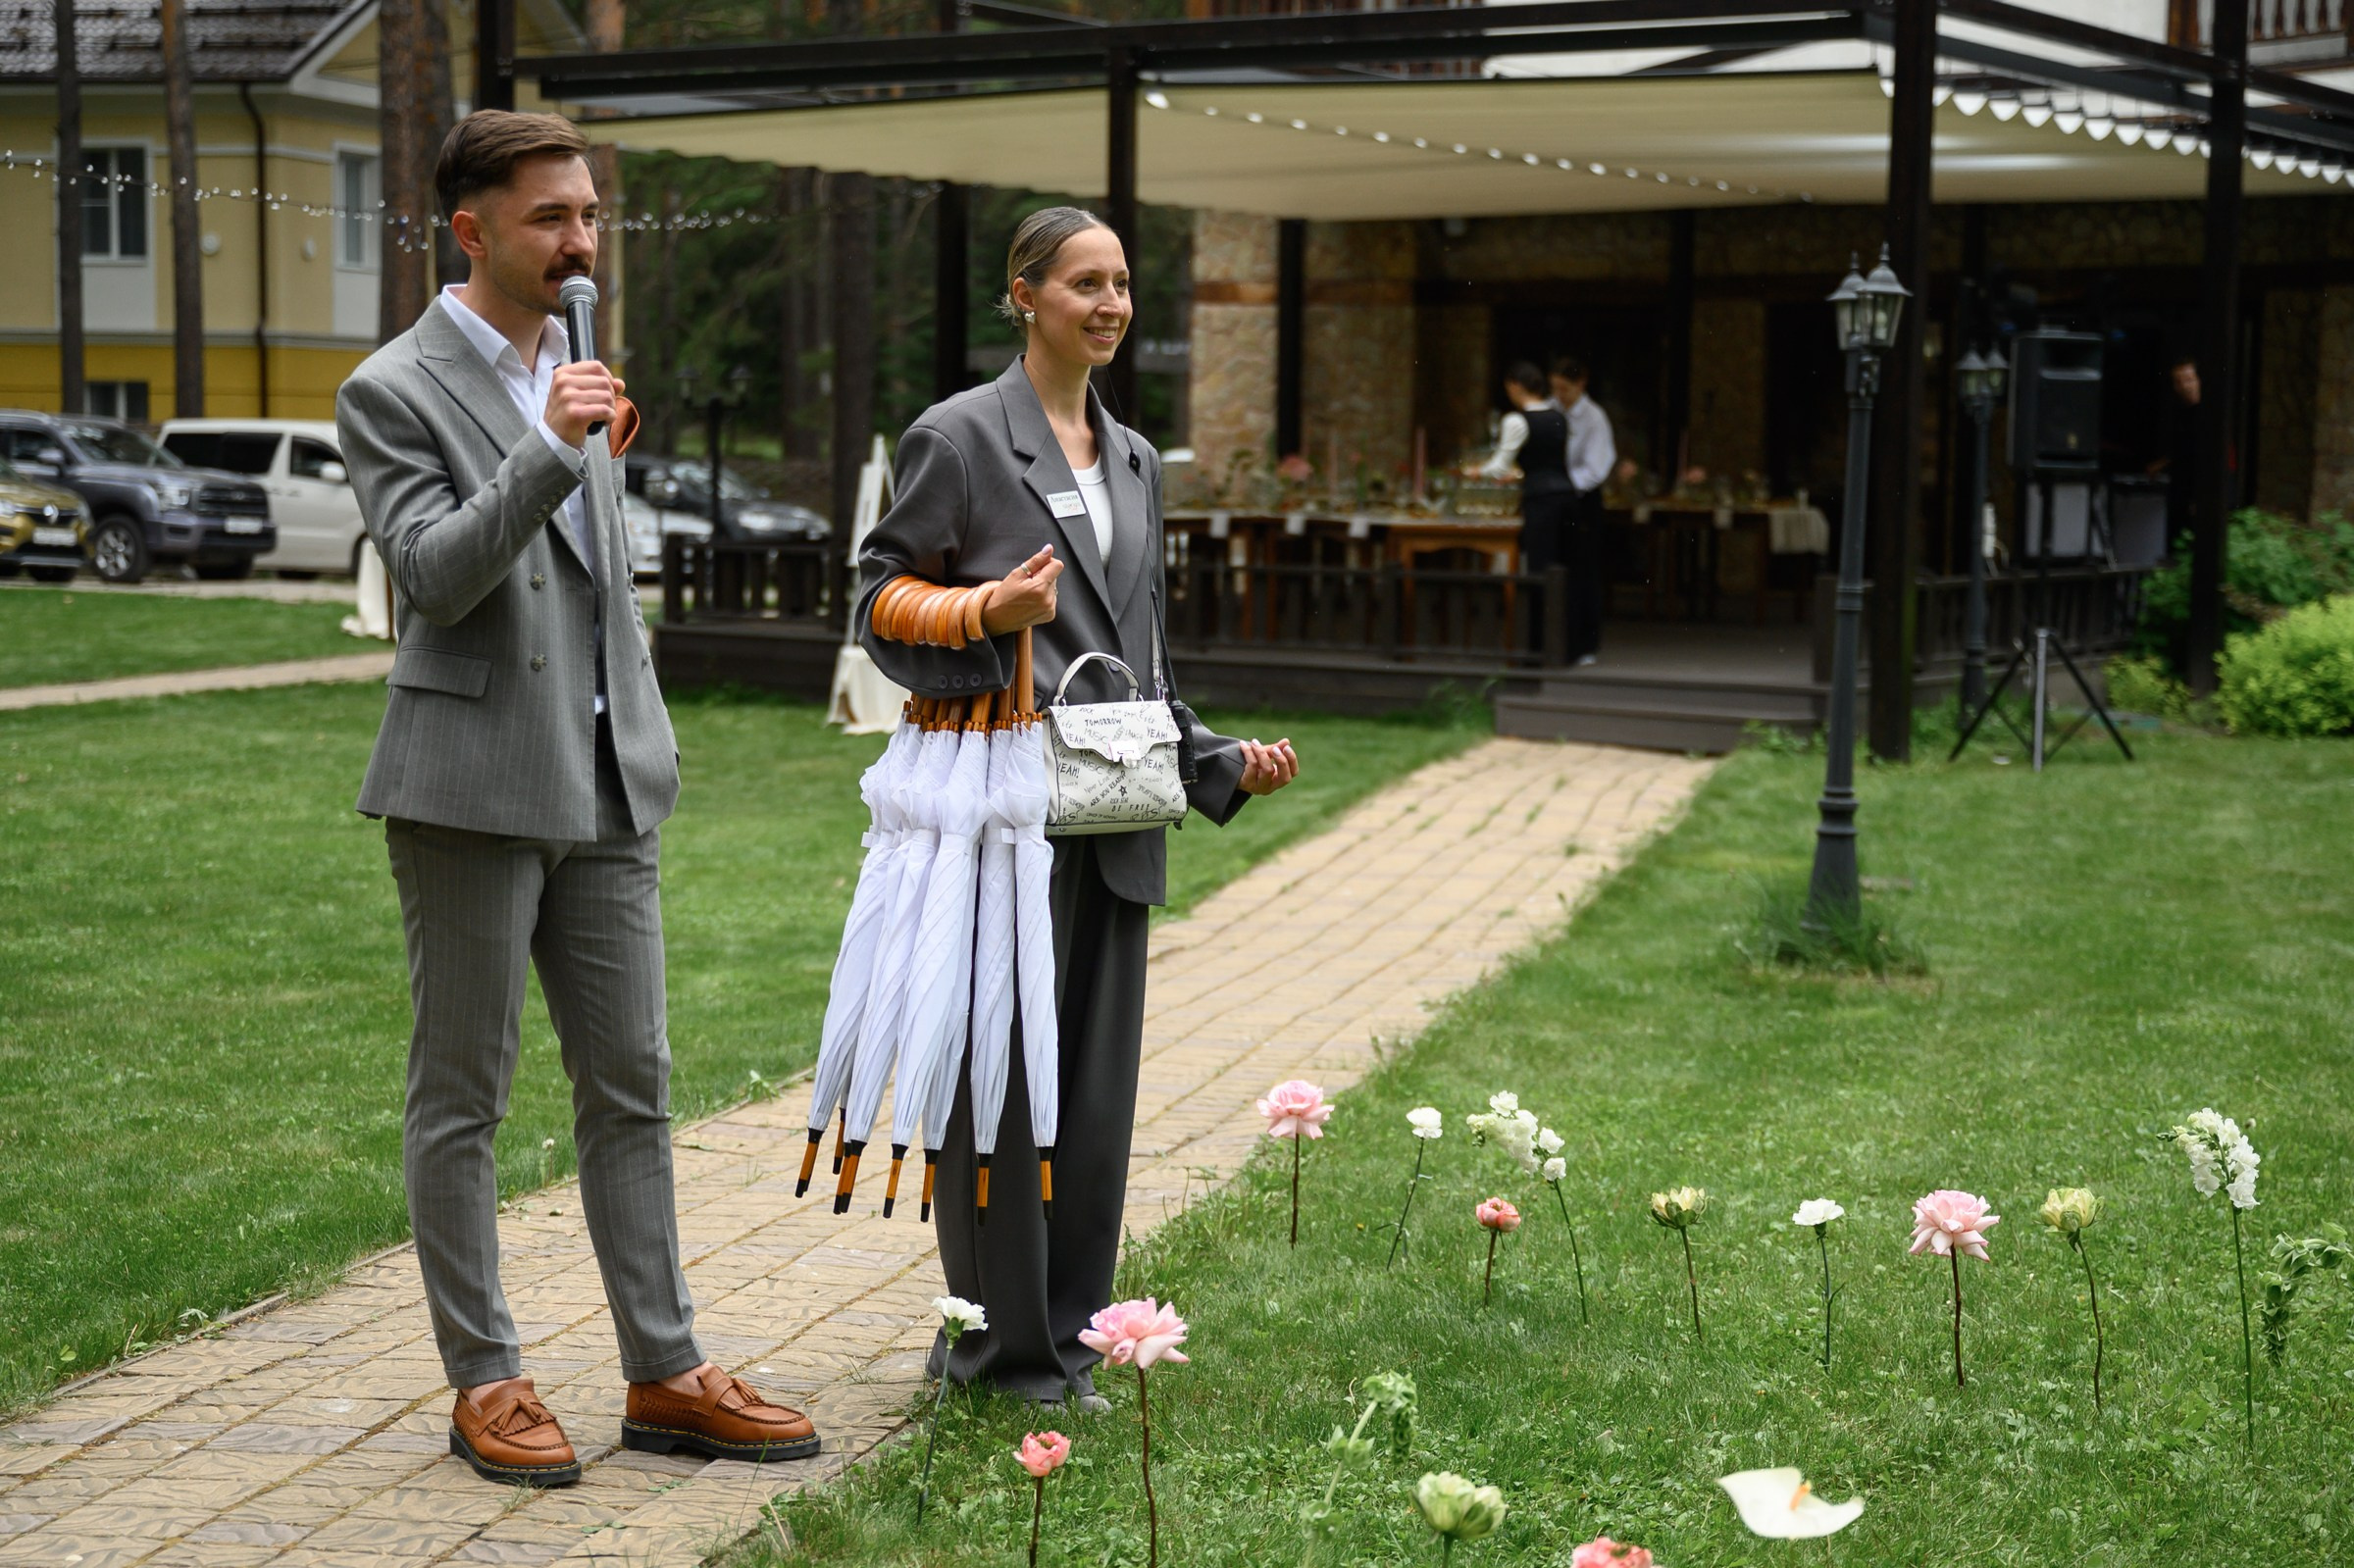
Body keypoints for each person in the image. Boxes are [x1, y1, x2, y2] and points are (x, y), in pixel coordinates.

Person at [336, 110, 818, 1489]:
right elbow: (432, 577)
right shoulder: (393, 387)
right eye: (551, 217)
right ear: (471, 229)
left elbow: (599, 585)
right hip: (472, 784)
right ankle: (486, 1376)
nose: (581, 241)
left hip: (609, 782)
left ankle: (665, 1369)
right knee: (464, 1092)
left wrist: (640, 725)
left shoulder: (582, 367)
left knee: (635, 1084)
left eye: (590, 214)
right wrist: (547, 447)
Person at [855, 206, 1301, 1409]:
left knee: (1092, 1101)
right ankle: (996, 1350)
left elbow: (1137, 658)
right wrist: (981, 613)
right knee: (1001, 1094)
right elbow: (877, 602)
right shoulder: (958, 437)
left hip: (1117, 821)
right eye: (1084, 284)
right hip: (1004, 824)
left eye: (1122, 285)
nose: (1110, 305)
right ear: (1024, 295)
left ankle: (1069, 1339)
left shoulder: (1138, 456)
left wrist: (1216, 764)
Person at [1479, 361, 1574, 657]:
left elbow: (1499, 466)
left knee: (1538, 572)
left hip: (1540, 500)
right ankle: (1564, 645)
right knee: (1561, 572)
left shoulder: (1516, 421)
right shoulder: (1559, 418)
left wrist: (1472, 471)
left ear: (1515, 387)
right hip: (1566, 496)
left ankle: (1537, 647)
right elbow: (1548, 462)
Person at [1550, 357, 1617, 665]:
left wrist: (1564, 485)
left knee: (1583, 572)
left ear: (1580, 384)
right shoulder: (1550, 409)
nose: (1560, 395)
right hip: (1556, 496)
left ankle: (1584, 645)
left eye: (1565, 388)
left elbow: (1596, 468)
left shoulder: (1593, 417)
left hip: (1582, 499)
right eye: (1555, 388)